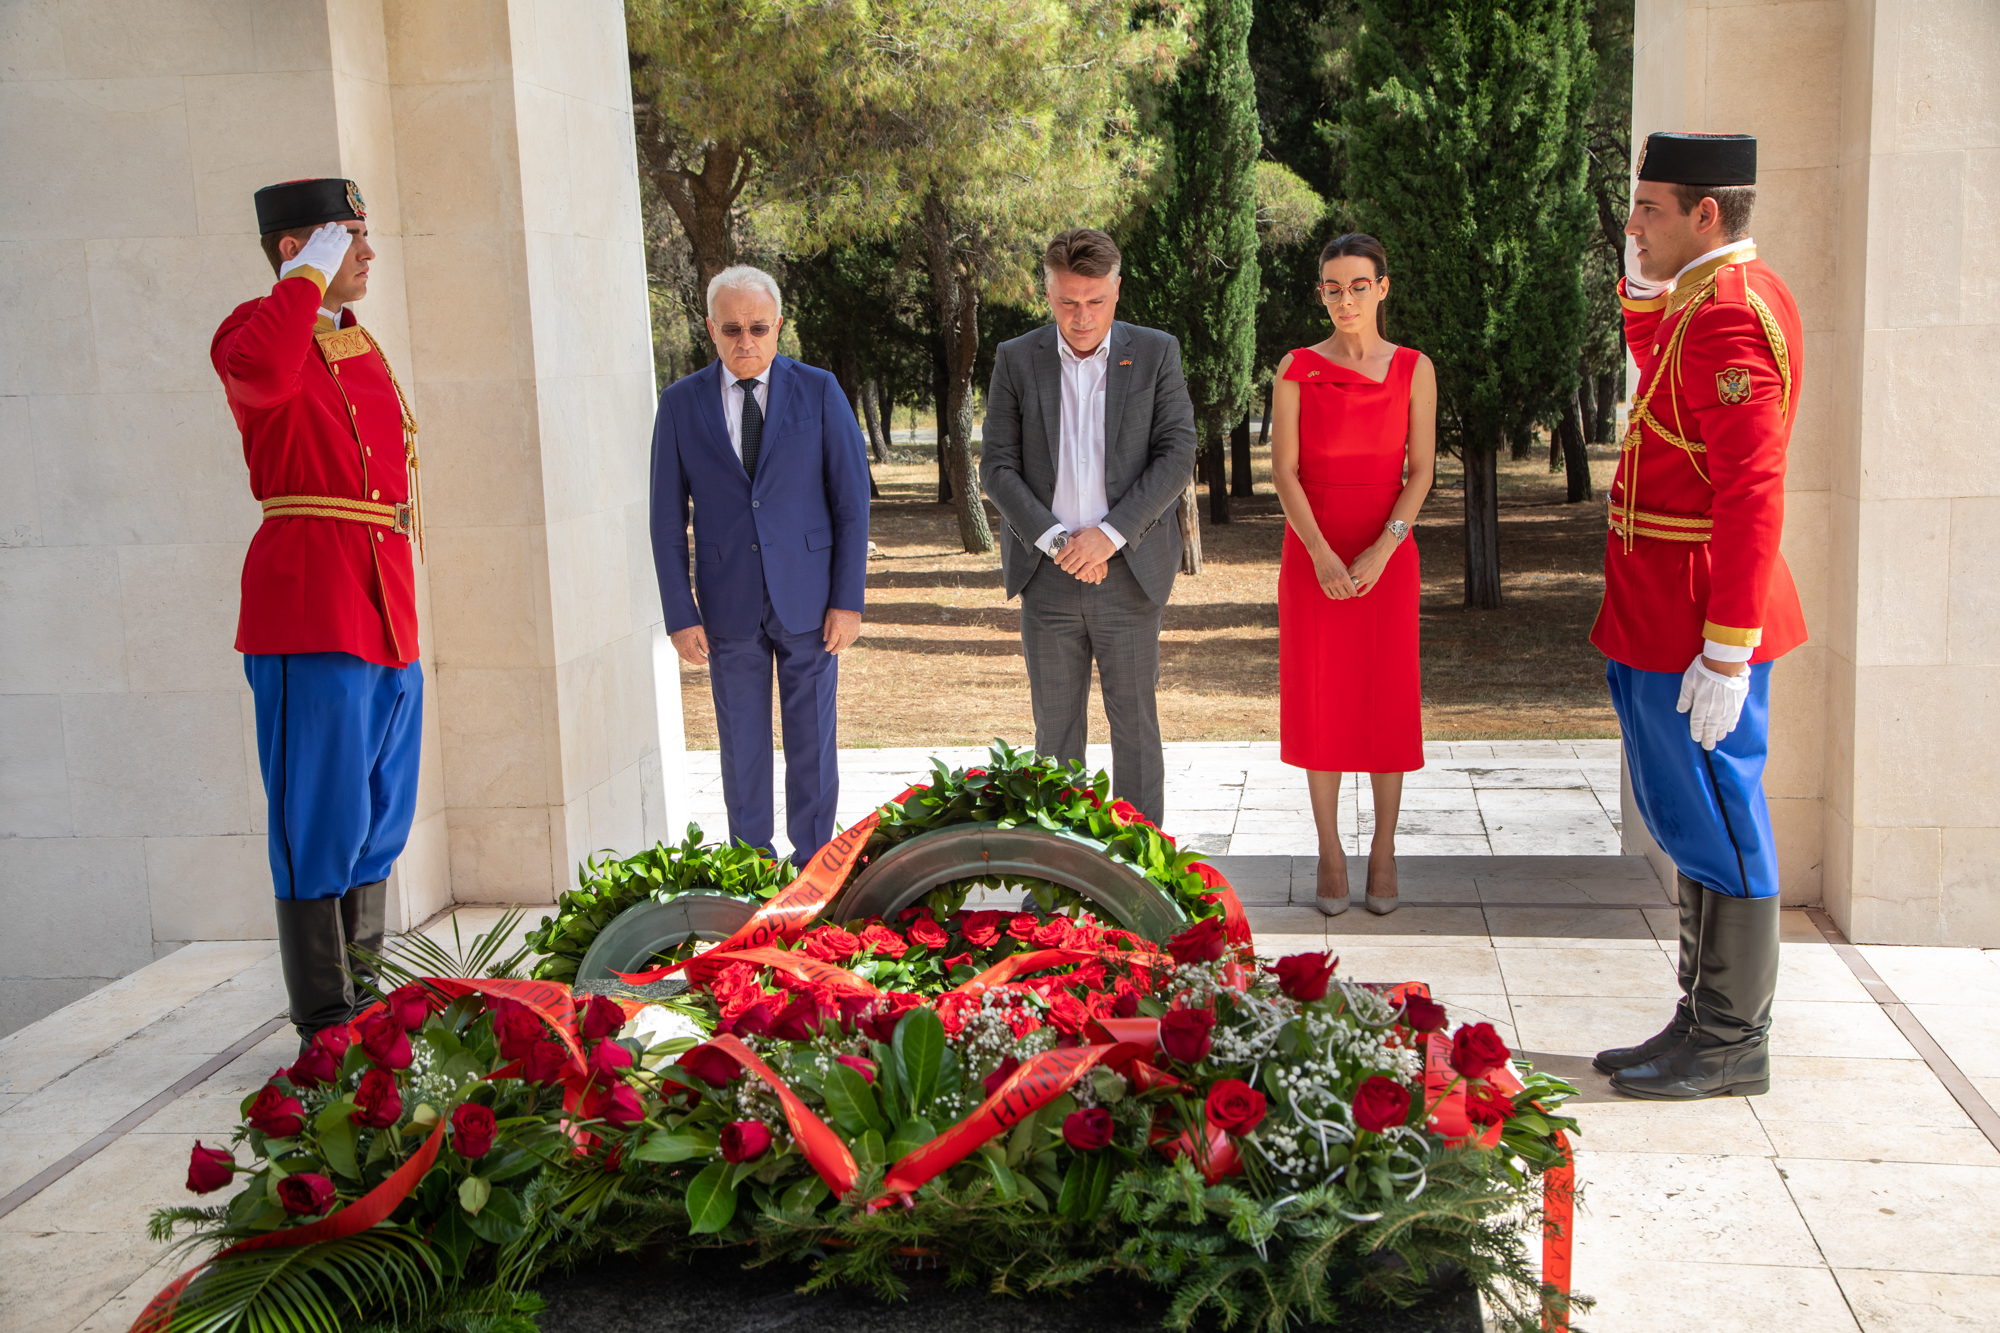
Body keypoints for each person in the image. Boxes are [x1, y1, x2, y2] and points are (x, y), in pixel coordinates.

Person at [1590, 132, 1806, 1100]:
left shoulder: (1729, 314)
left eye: (1649, 209)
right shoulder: (1700, 301)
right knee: (1687, 814)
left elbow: (1752, 491)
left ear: (1704, 214)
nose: (1633, 224)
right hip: (1659, 607)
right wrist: (1642, 289)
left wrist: (1726, 650)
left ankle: (1730, 1039)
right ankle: (1700, 1016)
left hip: (1698, 618)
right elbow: (1662, 381)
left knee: (1721, 815)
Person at [213, 178, 425, 1045]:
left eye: (365, 235)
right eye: (348, 236)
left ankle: (363, 998)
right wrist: (303, 277)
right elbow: (266, 375)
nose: (367, 252)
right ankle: (325, 1018)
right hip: (311, 602)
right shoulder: (252, 332)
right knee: (318, 813)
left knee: (381, 807)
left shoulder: (354, 339)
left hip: (384, 601)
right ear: (296, 249)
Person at [649, 266, 871, 864]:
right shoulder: (679, 403)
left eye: (757, 328)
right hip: (727, 604)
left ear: (778, 326)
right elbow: (666, 521)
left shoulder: (819, 390)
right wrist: (680, 614)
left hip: (811, 602)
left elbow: (852, 505)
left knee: (813, 745)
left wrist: (848, 601)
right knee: (741, 747)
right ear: (710, 329)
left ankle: (815, 871)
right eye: (731, 329)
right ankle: (750, 873)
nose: (745, 341)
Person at [980, 229, 1199, 824]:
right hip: (1046, 575)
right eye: (1067, 302)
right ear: (1047, 292)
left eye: (1095, 301)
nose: (1081, 317)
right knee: (1054, 735)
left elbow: (1177, 454)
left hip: (1129, 573)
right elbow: (996, 466)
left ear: (1117, 290)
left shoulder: (1156, 352)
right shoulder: (1016, 357)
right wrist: (1058, 541)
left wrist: (1109, 535)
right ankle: (1060, 868)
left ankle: (1139, 866)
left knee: (1135, 729)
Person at [1270, 235, 1437, 917]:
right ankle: (1330, 852)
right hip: (1313, 554)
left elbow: (1421, 471)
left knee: (1387, 700)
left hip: (1387, 558)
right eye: (1332, 288)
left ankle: (1385, 852)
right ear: (1321, 294)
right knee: (1322, 700)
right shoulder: (1296, 367)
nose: (1345, 300)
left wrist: (1384, 549)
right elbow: (1284, 472)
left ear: (1382, 288)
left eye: (1358, 286)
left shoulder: (1415, 368)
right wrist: (1319, 552)